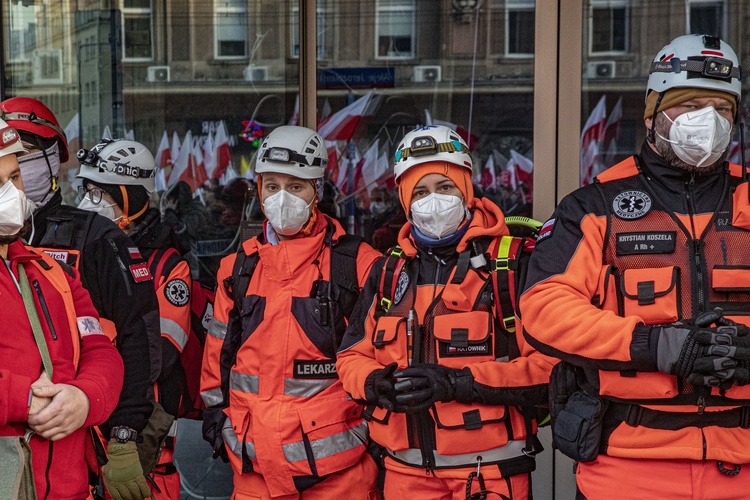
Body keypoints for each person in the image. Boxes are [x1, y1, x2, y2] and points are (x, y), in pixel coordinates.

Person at [519, 34, 750, 499]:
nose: (707, 121)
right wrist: (656, 344)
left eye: (722, 109)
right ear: (652, 113)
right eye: (690, 105)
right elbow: (544, 308)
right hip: (626, 470)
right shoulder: (593, 206)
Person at [336, 125, 554, 499]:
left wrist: (457, 383)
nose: (432, 201)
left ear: (466, 190)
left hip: (490, 476)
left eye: (445, 187)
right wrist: (374, 383)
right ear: (405, 200)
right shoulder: (389, 272)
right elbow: (350, 356)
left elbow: (551, 372)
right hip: (404, 474)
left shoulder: (513, 264)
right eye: (419, 192)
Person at [200, 125, 382, 499]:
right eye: (272, 186)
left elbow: (381, 362)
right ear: (260, 190)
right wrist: (219, 427)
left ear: (317, 190)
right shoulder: (238, 269)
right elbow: (216, 362)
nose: (282, 198)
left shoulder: (360, 265)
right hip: (254, 473)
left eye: (296, 186)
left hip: (340, 477)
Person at [0, 97, 160, 500]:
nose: (13, 193)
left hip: (71, 483)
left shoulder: (53, 269)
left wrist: (87, 400)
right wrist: (25, 399)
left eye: (16, 177)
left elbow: (108, 348)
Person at [77, 138, 193, 499]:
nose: (90, 202)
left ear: (134, 197)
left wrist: (98, 338)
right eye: (88, 190)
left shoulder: (168, 266)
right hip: (89, 418)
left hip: (144, 429)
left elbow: (156, 352)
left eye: (102, 193)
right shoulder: (85, 252)